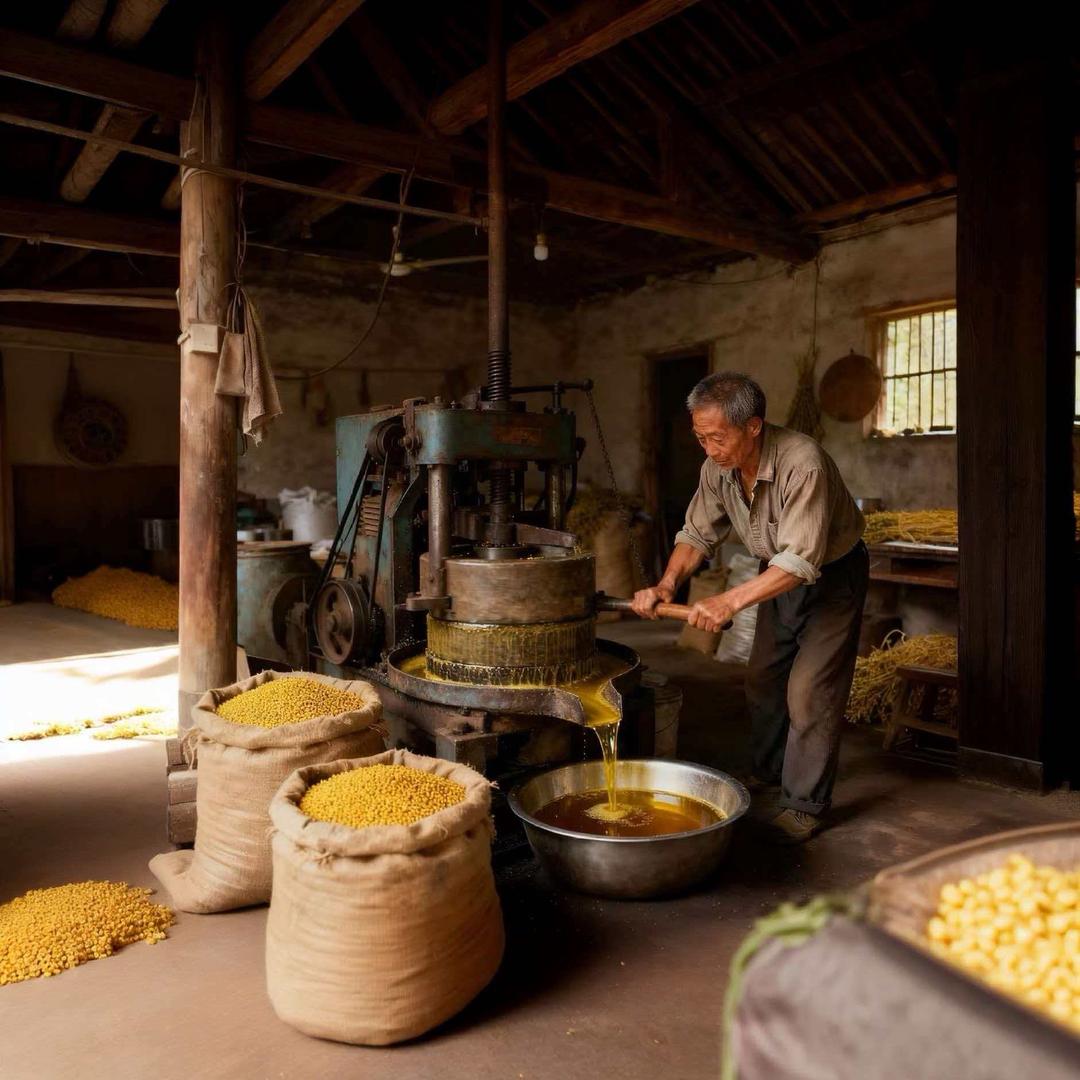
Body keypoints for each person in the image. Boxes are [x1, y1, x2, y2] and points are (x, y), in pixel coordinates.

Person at [632, 372, 867, 844]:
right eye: (701, 438)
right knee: (762, 677)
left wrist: (728, 600)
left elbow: (800, 560)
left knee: (809, 692)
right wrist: (666, 584)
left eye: (717, 438)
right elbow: (697, 533)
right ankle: (768, 768)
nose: (709, 449)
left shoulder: (804, 463)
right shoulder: (716, 468)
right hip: (774, 574)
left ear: (754, 426)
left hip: (830, 575)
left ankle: (804, 804)